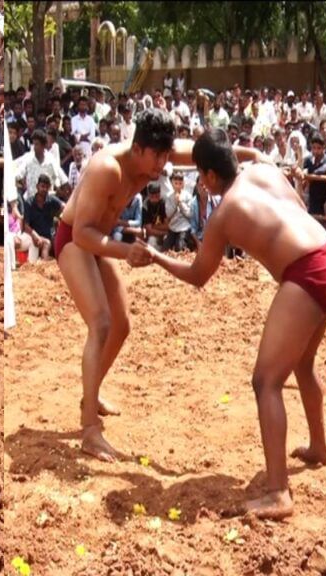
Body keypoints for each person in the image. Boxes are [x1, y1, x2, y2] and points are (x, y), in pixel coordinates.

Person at [140, 129, 326, 520]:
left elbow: (199, 275)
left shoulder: (225, 213)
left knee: (265, 381)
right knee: (301, 364)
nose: (200, 182)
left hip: (306, 274)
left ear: (210, 177)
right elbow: (259, 167)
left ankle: (279, 493)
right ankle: (318, 446)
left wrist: (155, 256)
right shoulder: (263, 169)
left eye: (200, 174)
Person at [55, 109, 267, 462]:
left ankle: (89, 396)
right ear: (137, 148)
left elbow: (202, 150)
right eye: (157, 156)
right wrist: (125, 251)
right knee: (102, 323)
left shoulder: (156, 156)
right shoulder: (106, 168)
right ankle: (89, 429)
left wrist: (249, 153)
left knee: (122, 325)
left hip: (100, 239)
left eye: (167, 156)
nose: (162, 164)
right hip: (75, 241)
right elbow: (81, 232)